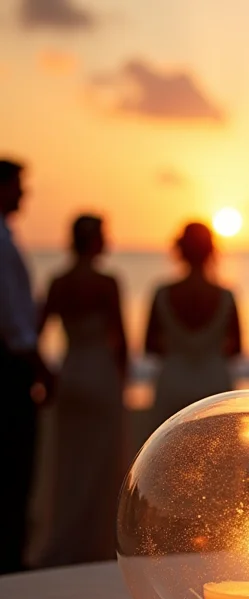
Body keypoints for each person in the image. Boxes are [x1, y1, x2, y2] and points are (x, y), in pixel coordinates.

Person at [38, 215, 127, 566]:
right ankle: (96, 543)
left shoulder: (58, 282)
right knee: (102, 462)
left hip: (71, 371)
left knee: (71, 462)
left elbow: (35, 332)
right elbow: (121, 340)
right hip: (101, 373)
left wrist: (48, 376)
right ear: (95, 241)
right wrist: (122, 378)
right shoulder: (107, 283)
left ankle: (67, 538)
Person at [0, 159, 52, 574]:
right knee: (14, 473)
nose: (23, 194)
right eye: (18, 186)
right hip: (8, 373)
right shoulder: (1, 243)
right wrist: (42, 370)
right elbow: (16, 323)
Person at [145, 222, 241, 427]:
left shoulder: (162, 293)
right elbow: (237, 349)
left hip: (172, 381)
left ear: (180, 250)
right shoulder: (226, 296)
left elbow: (150, 346)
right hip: (215, 383)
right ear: (211, 251)